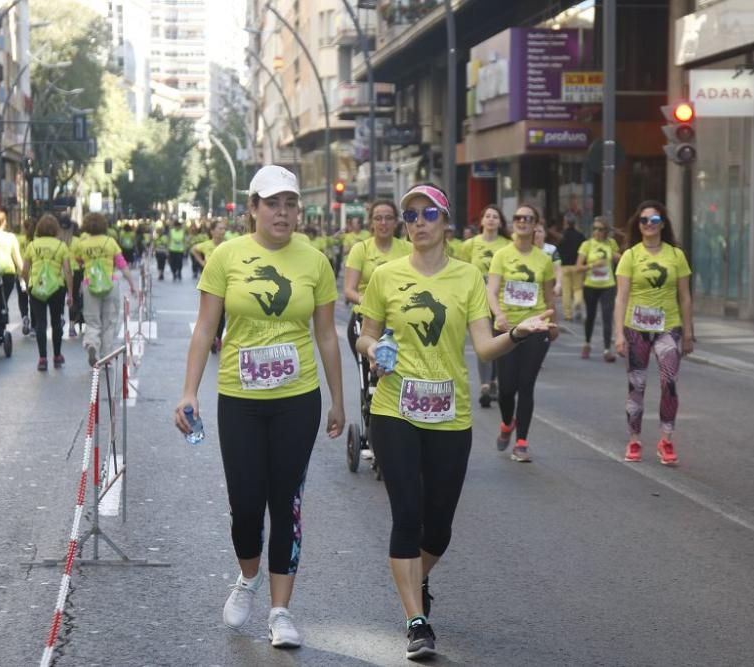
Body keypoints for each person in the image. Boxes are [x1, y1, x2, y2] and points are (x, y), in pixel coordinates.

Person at [356, 183, 554, 660]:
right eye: (410, 216)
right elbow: (365, 335)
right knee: (406, 514)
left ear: (446, 222)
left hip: (449, 414)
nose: (417, 222)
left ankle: (415, 577)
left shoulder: (467, 277)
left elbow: (484, 348)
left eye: (428, 214)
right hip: (394, 409)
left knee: (438, 528)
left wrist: (517, 334)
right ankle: (416, 620)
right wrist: (373, 349)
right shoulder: (385, 275)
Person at [175, 165, 344, 650]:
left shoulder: (314, 261)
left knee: (285, 501)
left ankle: (280, 610)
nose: (283, 213)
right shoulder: (226, 257)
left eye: (291, 204)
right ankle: (247, 576)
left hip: (298, 399)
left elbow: (327, 335)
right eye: (273, 204)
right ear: (253, 209)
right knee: (245, 505)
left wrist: (337, 401)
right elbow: (205, 329)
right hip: (240, 400)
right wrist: (189, 392)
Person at [613, 201, 694, 466]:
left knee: (669, 381)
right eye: (644, 220)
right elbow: (621, 297)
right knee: (637, 385)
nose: (649, 224)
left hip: (668, 327)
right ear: (638, 225)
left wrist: (689, 332)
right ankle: (634, 438)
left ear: (663, 223)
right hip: (636, 328)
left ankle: (666, 439)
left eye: (655, 219)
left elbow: (685, 296)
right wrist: (619, 334)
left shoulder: (676, 255)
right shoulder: (630, 256)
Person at [487, 204, 558, 463]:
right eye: (518, 217)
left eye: (528, 218)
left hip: (537, 326)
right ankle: (507, 423)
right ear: (512, 223)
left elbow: (549, 297)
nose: (522, 221)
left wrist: (554, 324)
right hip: (508, 328)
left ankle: (521, 442)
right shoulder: (502, 255)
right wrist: (499, 315)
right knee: (506, 389)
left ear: (536, 224)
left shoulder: (544, 259)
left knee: (526, 384)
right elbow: (492, 290)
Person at [344, 200, 411, 459]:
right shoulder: (361, 250)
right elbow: (349, 290)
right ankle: (373, 432)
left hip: (399, 324)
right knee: (373, 379)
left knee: (399, 377)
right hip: (366, 323)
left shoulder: (407, 248)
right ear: (371, 222)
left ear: (396, 222)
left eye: (388, 218)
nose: (383, 223)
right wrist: (375, 304)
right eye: (378, 218)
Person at [459, 205, 511, 408]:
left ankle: (495, 379)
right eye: (487, 216)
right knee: (484, 342)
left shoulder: (507, 245)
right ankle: (485, 385)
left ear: (500, 222)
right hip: (477, 300)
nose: (490, 220)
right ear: (481, 221)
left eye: (495, 217)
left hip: (501, 302)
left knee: (500, 342)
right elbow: (461, 273)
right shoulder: (469, 245)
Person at [75, 212, 137, 366]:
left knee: (92, 320)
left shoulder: (82, 244)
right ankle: (106, 356)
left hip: (90, 284)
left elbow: (79, 261)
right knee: (109, 321)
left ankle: (91, 344)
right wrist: (132, 285)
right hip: (110, 283)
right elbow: (122, 265)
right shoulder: (111, 242)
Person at [23, 214, 74, 371]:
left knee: (40, 323)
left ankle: (42, 359)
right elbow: (67, 271)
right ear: (55, 229)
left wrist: (28, 285)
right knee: (56, 321)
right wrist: (70, 293)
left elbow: (24, 270)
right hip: (56, 288)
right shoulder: (61, 246)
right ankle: (57, 356)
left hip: (36, 287)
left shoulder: (31, 246)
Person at [576, 216, 621, 362]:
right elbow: (578, 267)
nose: (597, 232)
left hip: (608, 285)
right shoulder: (587, 245)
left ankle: (607, 349)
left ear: (606, 231)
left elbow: (619, 260)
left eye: (600, 229)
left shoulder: (611, 243)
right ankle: (587, 344)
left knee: (607, 317)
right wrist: (592, 266)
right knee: (590, 316)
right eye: (594, 229)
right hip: (590, 285)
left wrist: (616, 256)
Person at [191, 220, 229, 351]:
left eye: (224, 229)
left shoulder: (228, 245)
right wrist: (202, 262)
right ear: (212, 231)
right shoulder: (207, 245)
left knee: (222, 312)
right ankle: (211, 338)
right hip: (210, 284)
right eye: (219, 228)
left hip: (225, 283)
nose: (222, 231)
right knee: (210, 312)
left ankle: (217, 337)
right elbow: (194, 249)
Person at [557, 215, 586, 321]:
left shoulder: (561, 236)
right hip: (577, 266)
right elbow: (584, 250)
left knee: (566, 292)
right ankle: (578, 302)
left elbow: (557, 251)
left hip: (564, 266)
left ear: (565, 222)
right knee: (578, 288)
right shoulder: (580, 236)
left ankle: (567, 315)